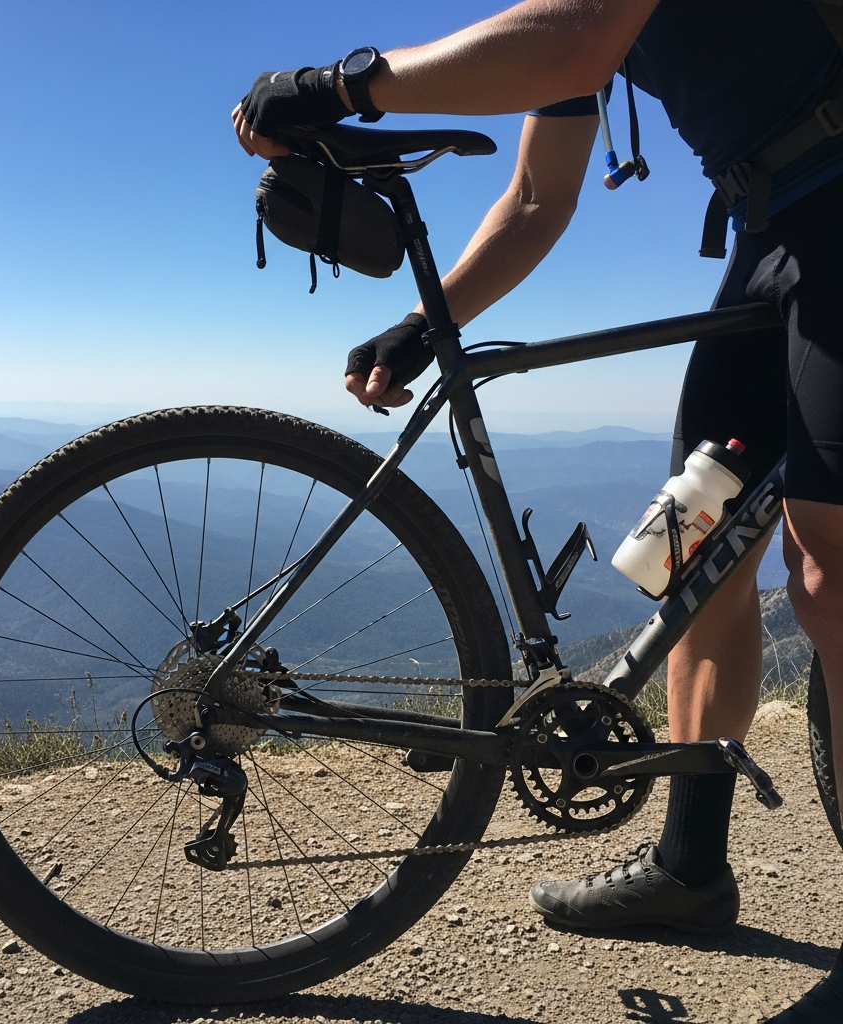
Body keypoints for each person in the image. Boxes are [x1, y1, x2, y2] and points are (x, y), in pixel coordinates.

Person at [232, 2, 843, 1020]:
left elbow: (571, 41)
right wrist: (428, 325)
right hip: (769, 228)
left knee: (825, 571)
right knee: (686, 554)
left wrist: (339, 86)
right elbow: (532, 196)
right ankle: (689, 866)